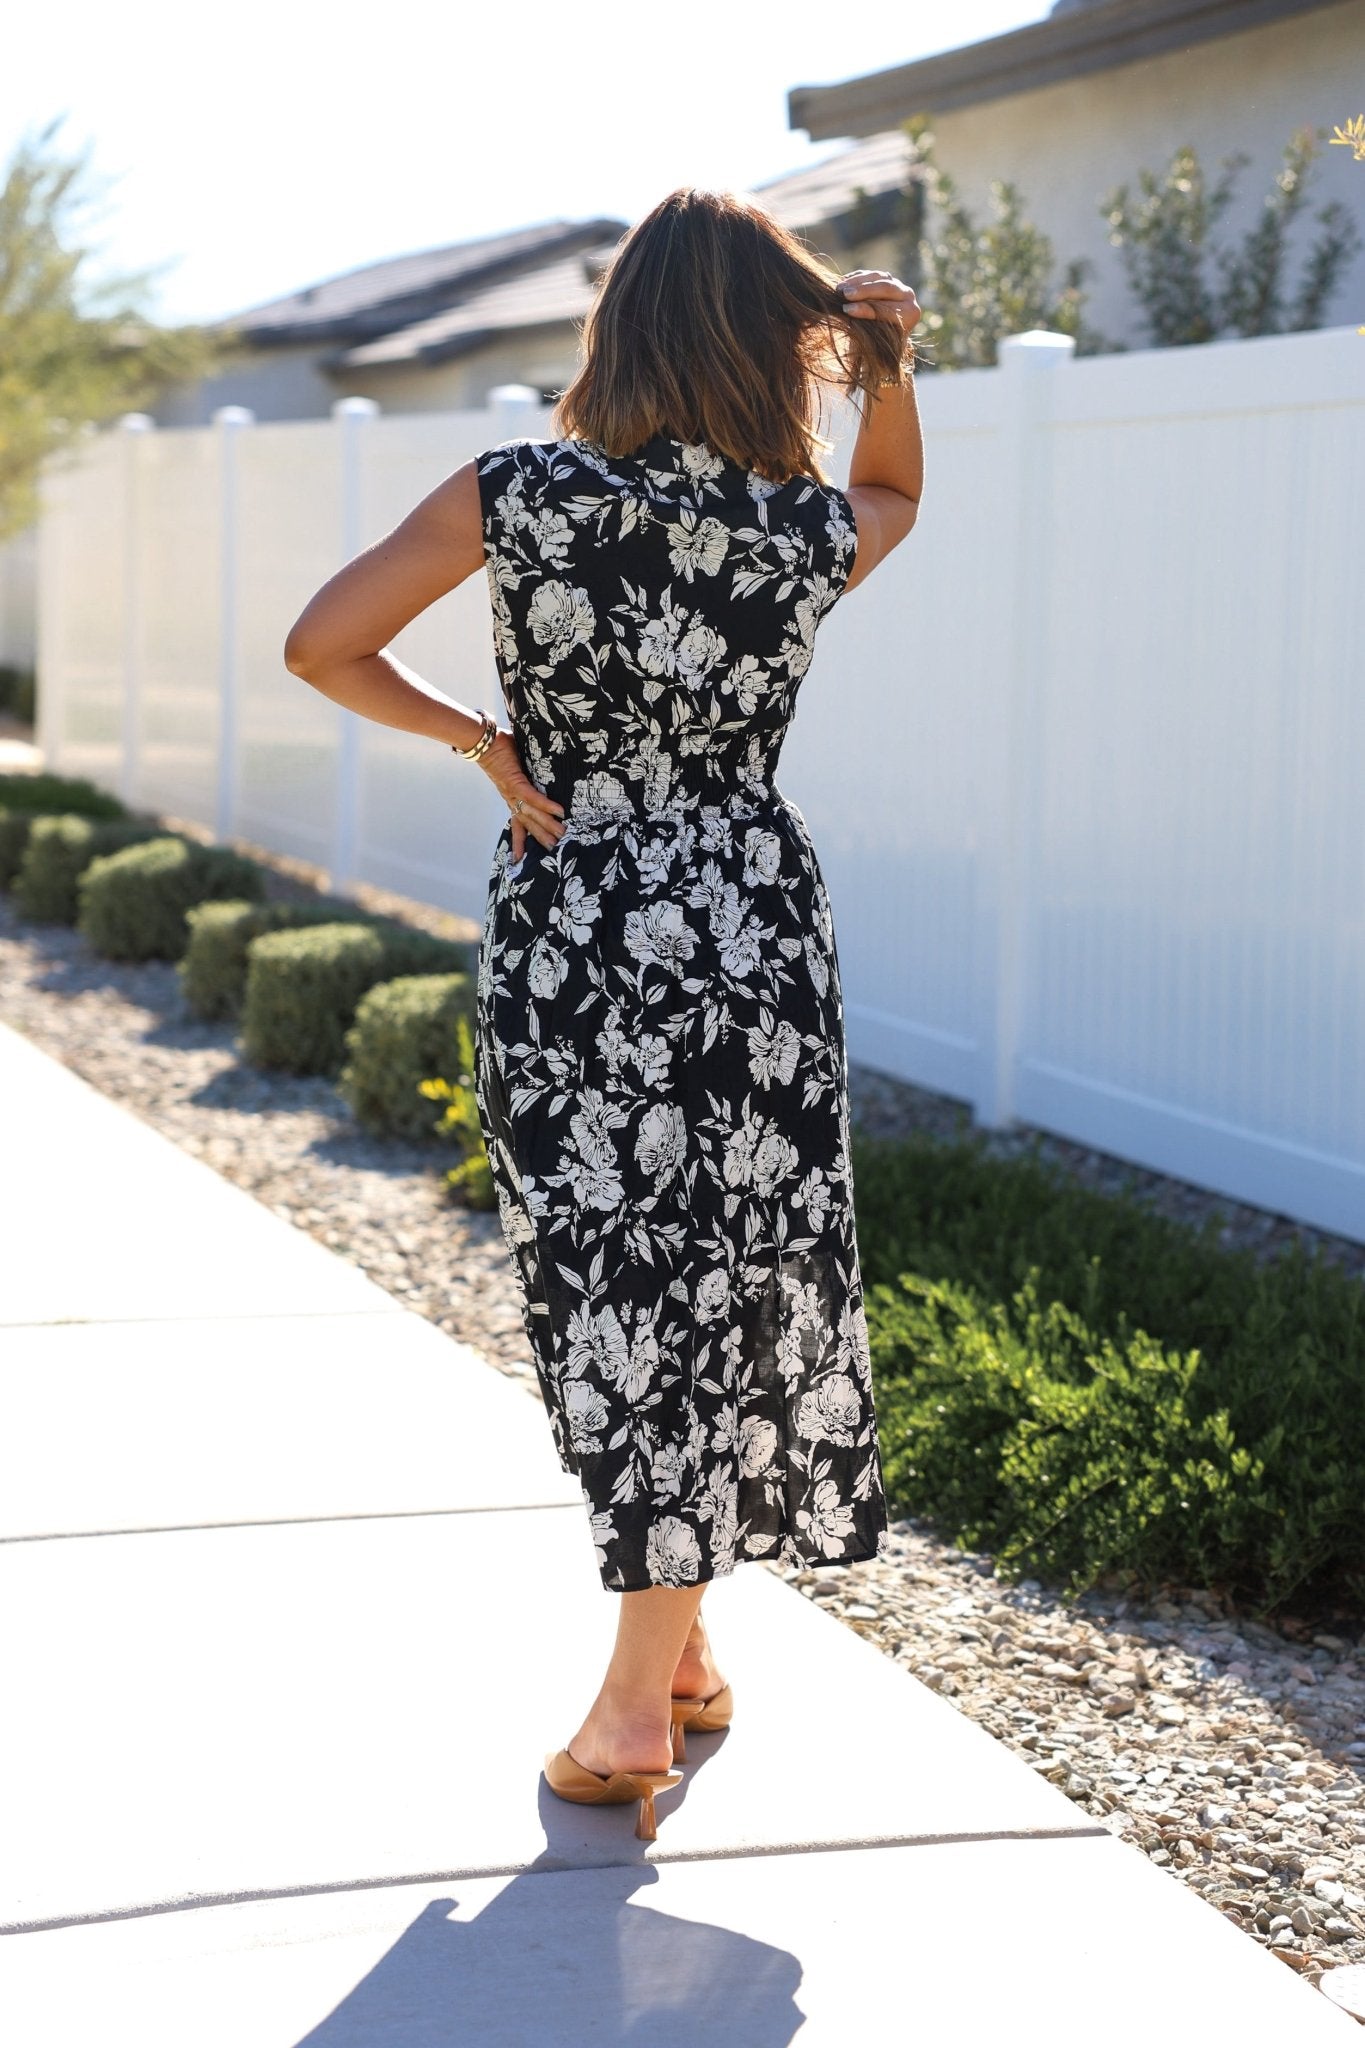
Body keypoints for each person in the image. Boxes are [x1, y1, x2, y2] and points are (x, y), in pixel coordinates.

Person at [284, 186, 924, 1844]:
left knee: (619, 1278)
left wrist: (484, 744)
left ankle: (633, 1705)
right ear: (771, 343)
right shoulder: (795, 526)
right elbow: (895, 495)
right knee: (725, 1267)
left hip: (581, 914)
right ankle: (682, 1652)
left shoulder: (517, 491)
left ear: (618, 323)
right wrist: (887, 365)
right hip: (753, 916)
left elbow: (323, 647)